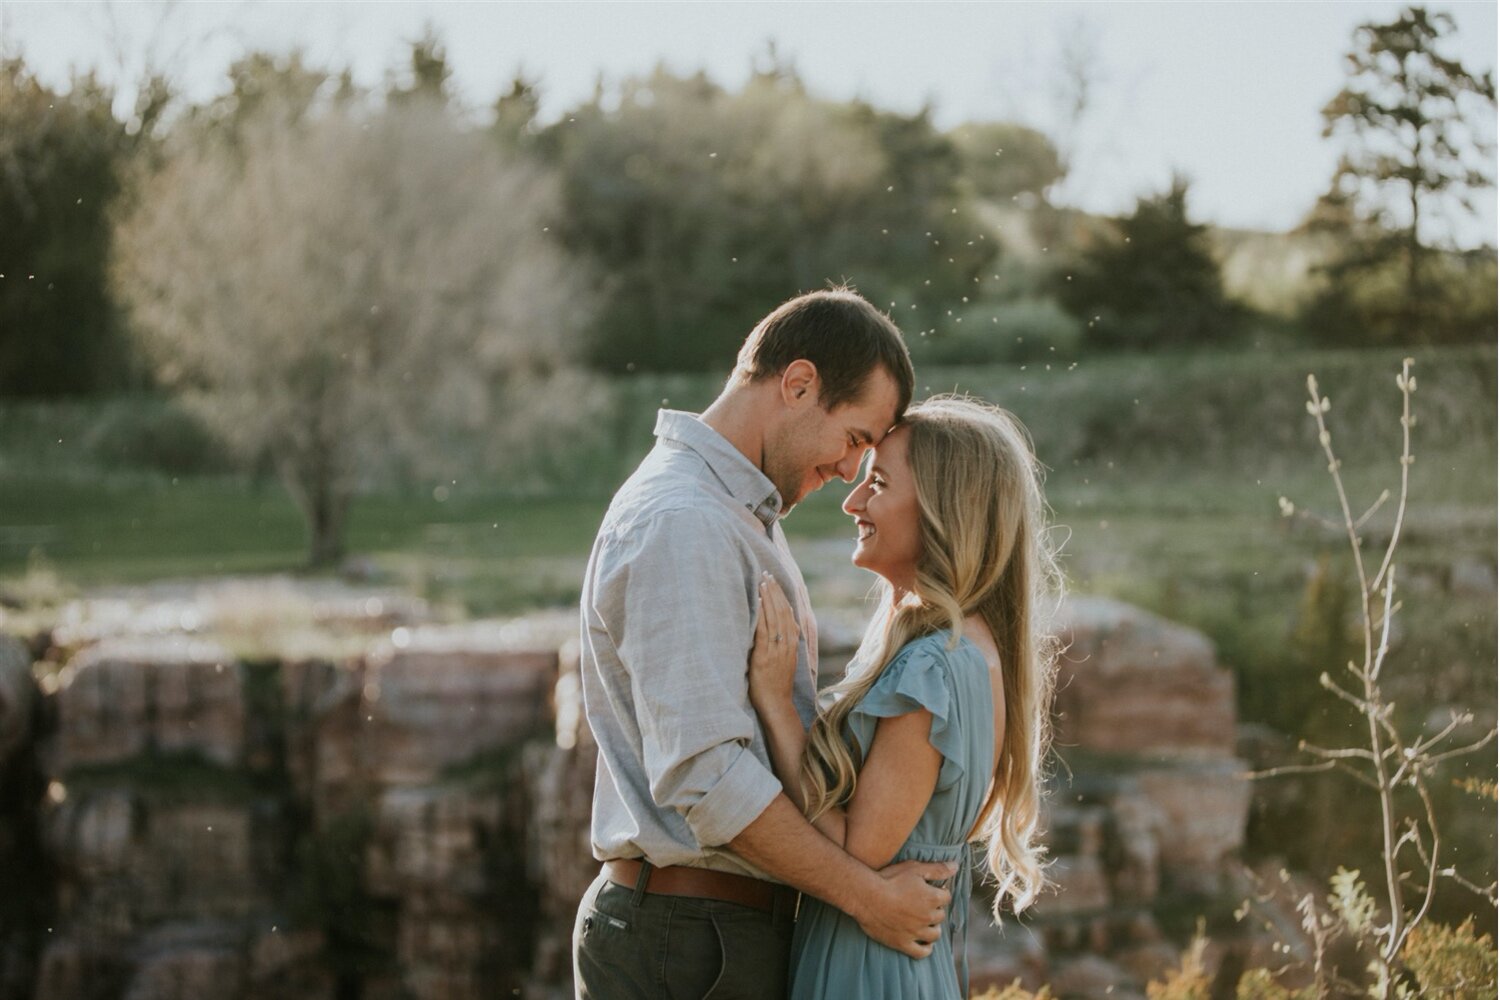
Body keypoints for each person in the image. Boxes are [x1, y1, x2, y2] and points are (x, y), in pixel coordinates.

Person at [573, 289, 960, 1000]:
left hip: (710, 933)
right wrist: (868, 898)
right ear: (799, 384)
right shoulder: (684, 522)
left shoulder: (739, 515)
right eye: (854, 439)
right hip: (687, 941)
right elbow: (709, 782)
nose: (851, 472)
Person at [747, 396, 1064, 999]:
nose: (852, 501)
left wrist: (776, 704)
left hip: (867, 966)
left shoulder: (933, 668)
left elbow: (855, 850)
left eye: (879, 482)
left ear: (945, 510)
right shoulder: (972, 650)